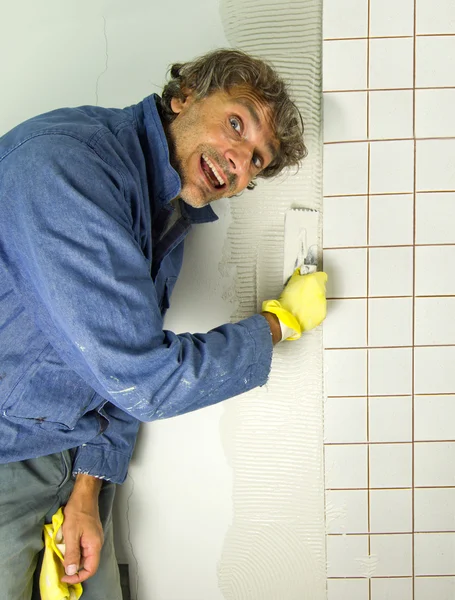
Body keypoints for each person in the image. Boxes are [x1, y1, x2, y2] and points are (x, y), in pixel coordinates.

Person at [0, 48, 327, 598]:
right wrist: (279, 324)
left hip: (75, 465)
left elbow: (111, 374)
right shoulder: (66, 169)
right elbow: (144, 377)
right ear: (184, 97)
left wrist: (87, 487)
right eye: (236, 123)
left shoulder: (167, 211)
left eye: (257, 161)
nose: (239, 162)